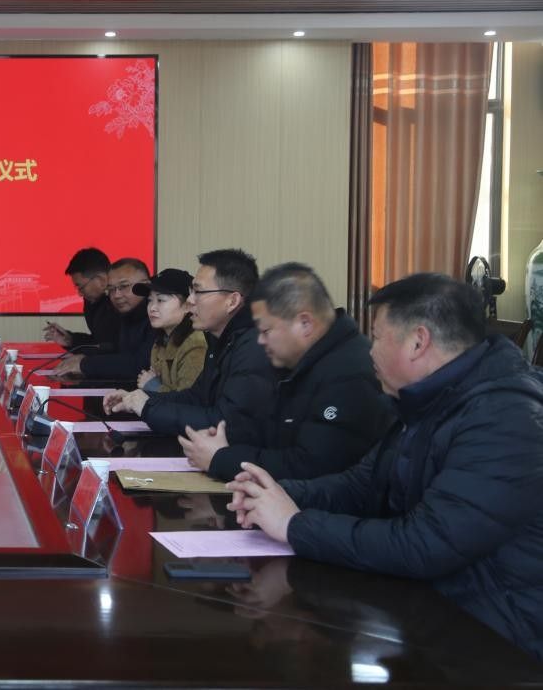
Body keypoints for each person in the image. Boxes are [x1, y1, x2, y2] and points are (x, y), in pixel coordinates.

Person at [227, 273, 543, 660]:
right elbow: (363, 485)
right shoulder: (430, 399)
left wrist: (294, 525)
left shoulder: (505, 418)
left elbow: (426, 544)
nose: (369, 351)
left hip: (499, 642)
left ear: (418, 342)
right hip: (432, 614)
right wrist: (277, 495)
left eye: (376, 337)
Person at [181, 262, 389, 481]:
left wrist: (221, 458)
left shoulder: (348, 373)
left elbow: (311, 467)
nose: (260, 341)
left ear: (305, 323)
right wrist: (225, 443)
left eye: (265, 330)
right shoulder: (299, 362)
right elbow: (273, 437)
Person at [105, 249, 275, 442]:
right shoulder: (220, 338)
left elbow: (226, 423)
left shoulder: (254, 346)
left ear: (232, 301)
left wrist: (147, 407)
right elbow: (197, 397)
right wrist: (139, 397)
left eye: (198, 292)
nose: (190, 300)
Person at [52, 258, 154, 385]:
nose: (116, 295)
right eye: (111, 289)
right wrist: (81, 354)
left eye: (124, 286)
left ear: (146, 285)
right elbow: (114, 349)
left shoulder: (156, 316)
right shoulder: (128, 314)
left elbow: (140, 365)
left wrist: (85, 364)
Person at [133, 267, 207, 392]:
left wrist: (153, 386)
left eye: (161, 300)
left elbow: (189, 400)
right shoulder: (161, 341)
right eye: (150, 300)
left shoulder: (196, 344)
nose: (152, 308)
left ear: (187, 305)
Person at [42, 247, 122, 352]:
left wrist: (84, 360)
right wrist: (71, 340)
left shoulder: (122, 303)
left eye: (81, 287)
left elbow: (120, 350)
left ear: (101, 280)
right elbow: (98, 342)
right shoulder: (92, 302)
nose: (79, 293)